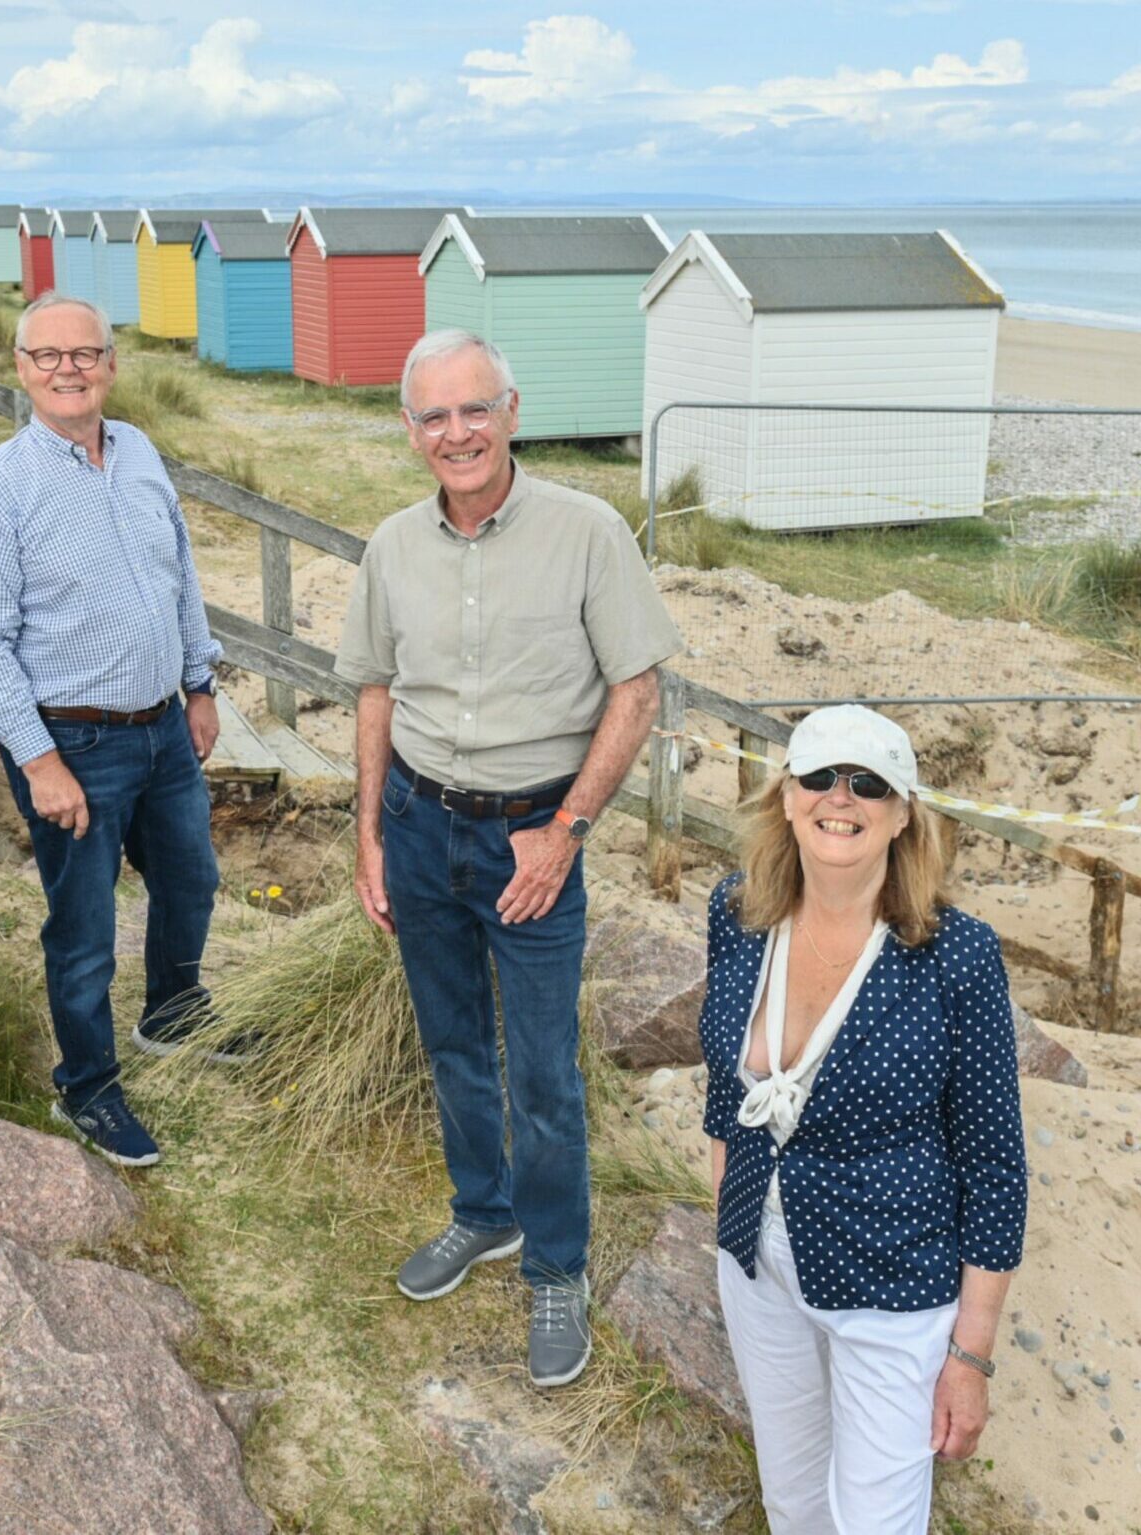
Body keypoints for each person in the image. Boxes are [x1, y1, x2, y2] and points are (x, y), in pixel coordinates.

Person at [337, 329, 683, 1388]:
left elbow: (637, 688)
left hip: (535, 834)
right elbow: (375, 690)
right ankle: (480, 1213)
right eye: (434, 416)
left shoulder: (587, 531)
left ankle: (554, 1264)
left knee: (540, 1070)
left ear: (512, 410)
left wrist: (567, 828)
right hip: (417, 821)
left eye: (473, 409)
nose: (457, 432)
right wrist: (367, 832)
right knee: (450, 1044)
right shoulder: (393, 545)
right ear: (410, 432)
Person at [699, 705, 1027, 1532]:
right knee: (796, 1501)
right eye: (819, 776)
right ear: (785, 796)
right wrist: (727, 1211)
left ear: (903, 810)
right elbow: (722, 1083)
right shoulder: (737, 914)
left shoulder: (956, 956)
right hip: (759, 1263)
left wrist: (970, 1355)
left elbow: (994, 1168)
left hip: (892, 1286)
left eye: (868, 782)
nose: (839, 798)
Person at [0, 291, 224, 1169]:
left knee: (193, 879)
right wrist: (39, 762)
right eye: (48, 355)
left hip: (164, 729)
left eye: (86, 353)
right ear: (21, 368)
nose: (69, 368)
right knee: (84, 927)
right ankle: (88, 1084)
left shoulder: (139, 450)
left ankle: (171, 1013)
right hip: (73, 743)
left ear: (110, 363)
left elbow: (178, 571)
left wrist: (200, 682)